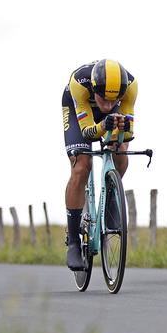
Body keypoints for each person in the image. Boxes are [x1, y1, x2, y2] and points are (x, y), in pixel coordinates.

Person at [61, 59, 137, 270]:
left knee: (120, 148)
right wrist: (104, 124)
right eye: (103, 98)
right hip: (80, 113)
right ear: (94, 88)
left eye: (114, 100)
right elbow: (87, 132)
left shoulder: (130, 87)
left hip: (108, 119)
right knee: (81, 165)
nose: (108, 104)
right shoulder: (80, 84)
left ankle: (112, 194)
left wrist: (122, 130)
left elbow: (129, 133)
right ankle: (74, 242)